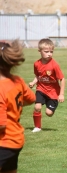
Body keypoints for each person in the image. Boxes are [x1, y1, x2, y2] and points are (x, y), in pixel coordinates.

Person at [0, 40, 36, 173]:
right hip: (16, 140)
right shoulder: (17, 81)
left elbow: (1, 125)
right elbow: (31, 99)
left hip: (3, 143)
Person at [29, 38, 65, 133]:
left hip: (53, 92)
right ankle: (37, 127)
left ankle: (52, 106)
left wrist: (61, 94)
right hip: (41, 89)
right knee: (37, 107)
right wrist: (33, 82)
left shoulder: (54, 65)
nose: (49, 54)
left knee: (49, 113)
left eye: (51, 51)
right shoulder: (36, 64)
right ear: (39, 51)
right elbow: (38, 75)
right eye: (46, 51)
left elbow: (62, 79)